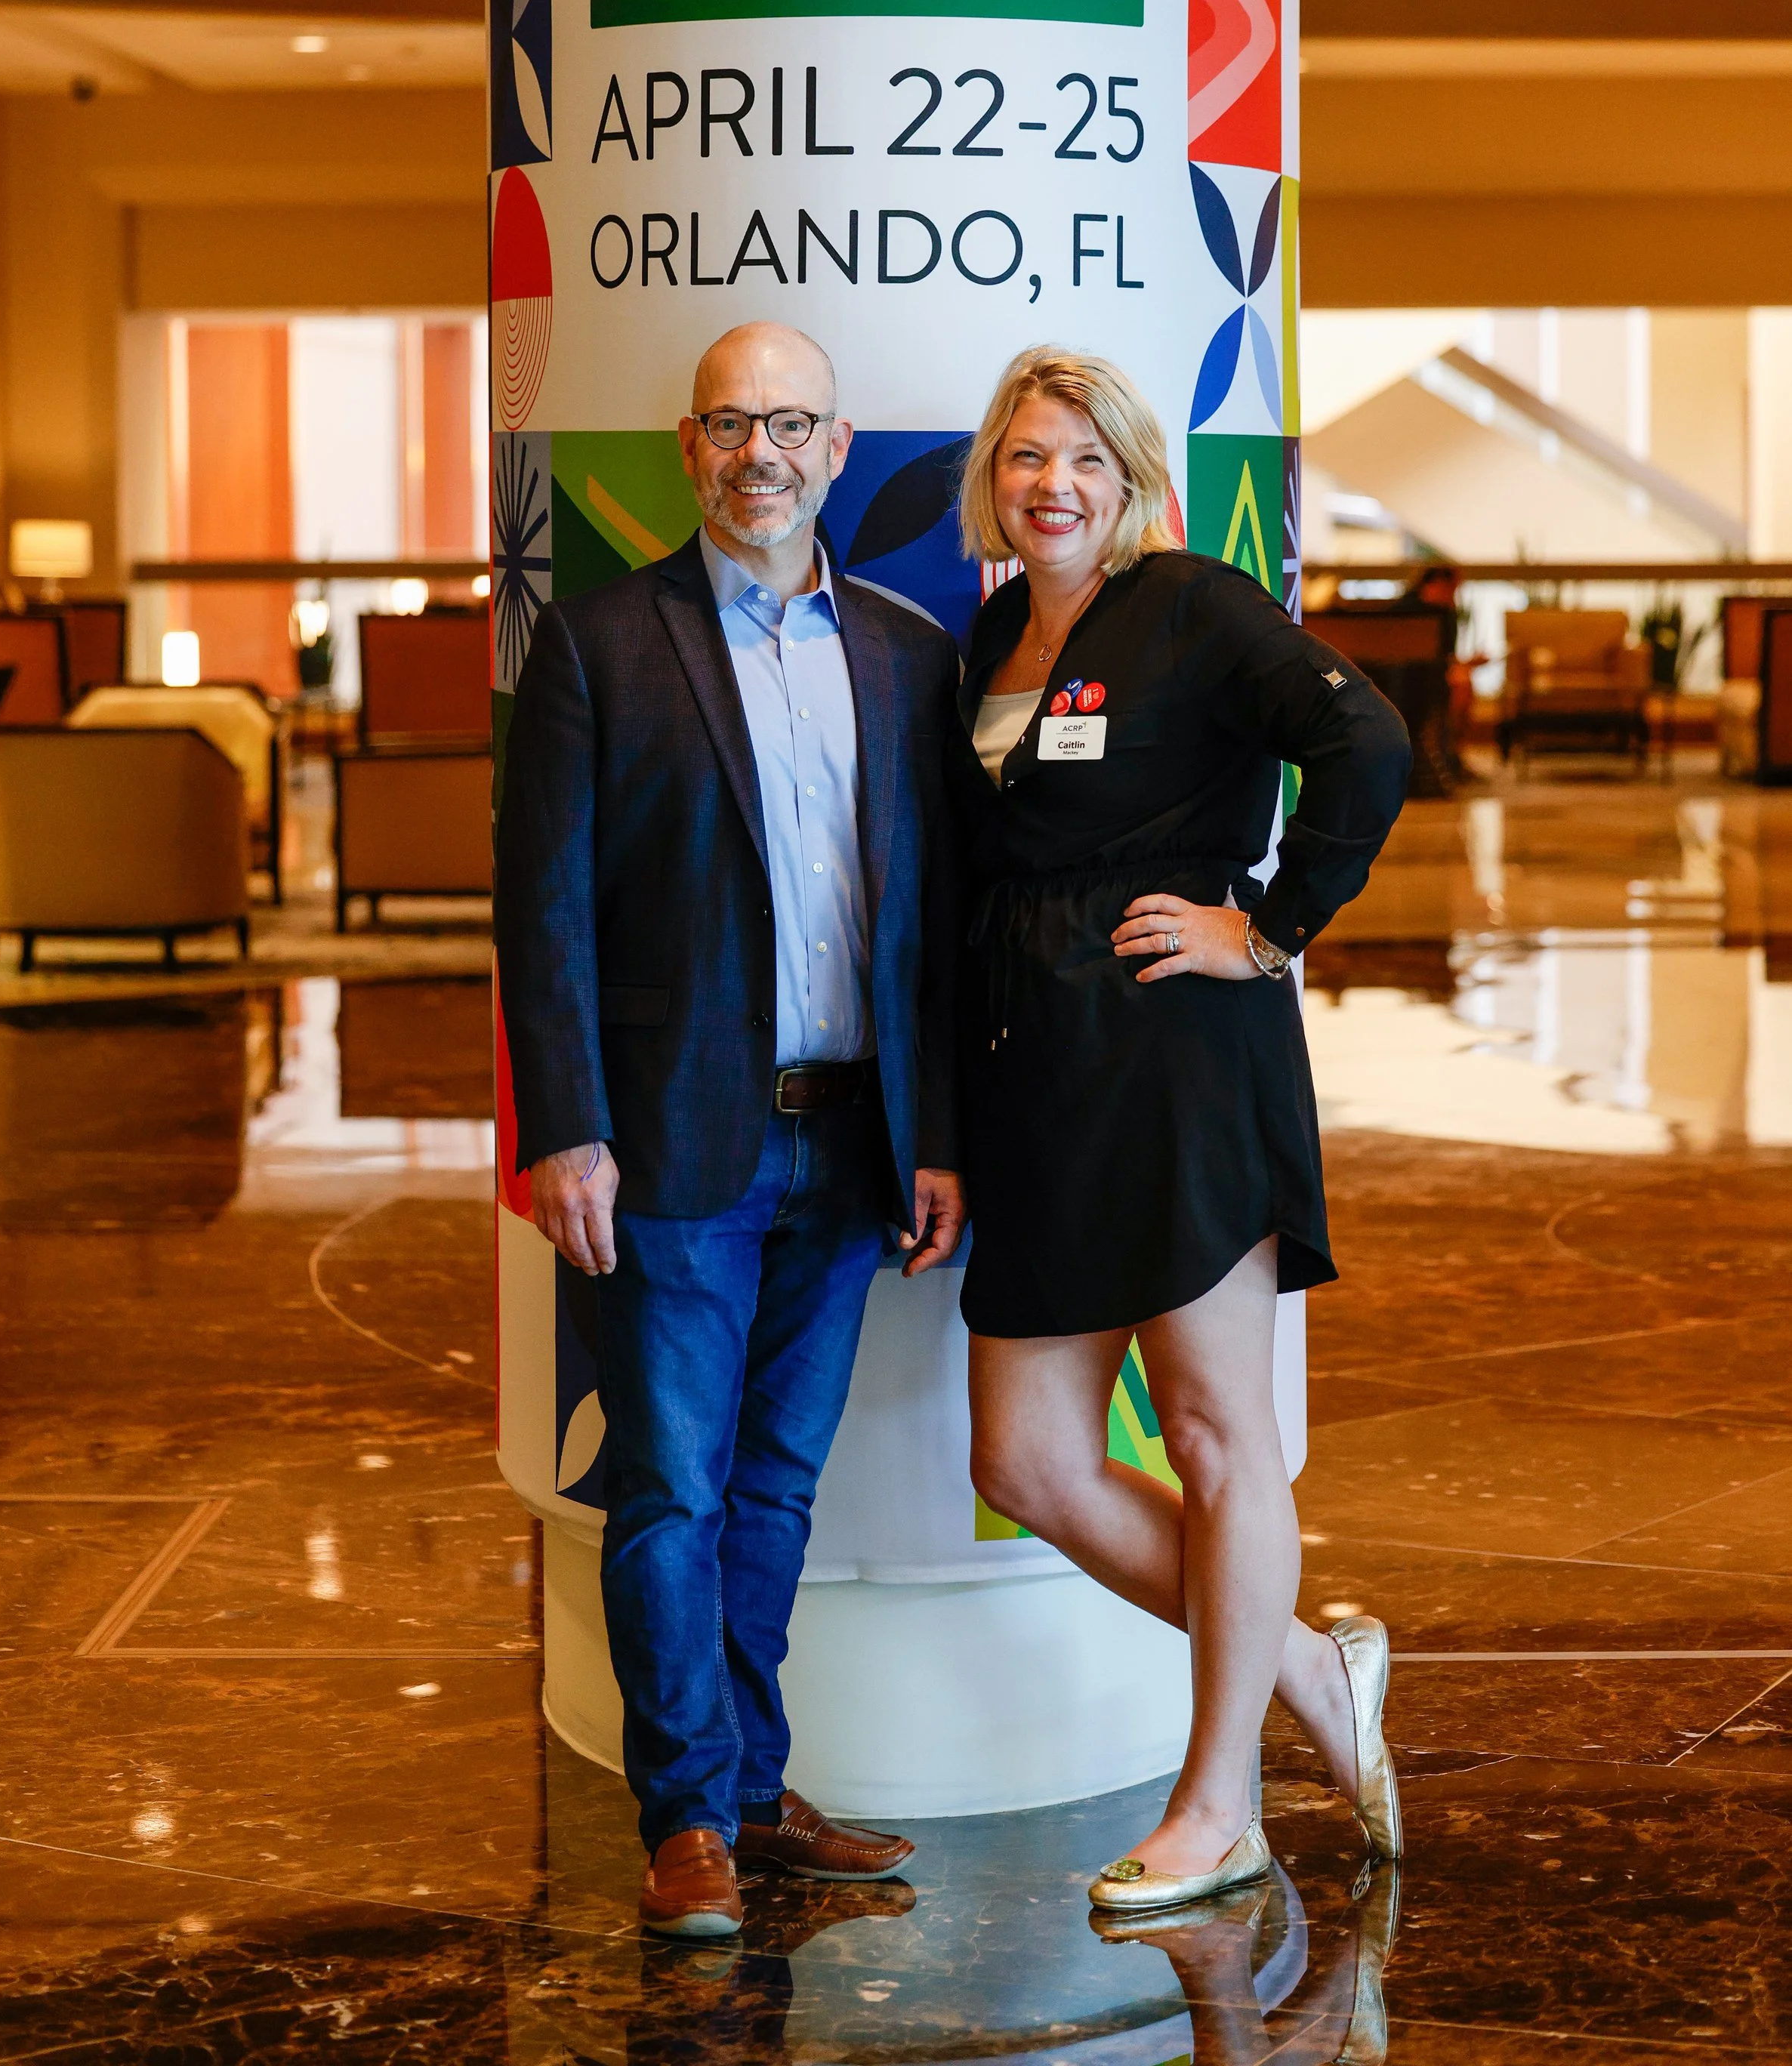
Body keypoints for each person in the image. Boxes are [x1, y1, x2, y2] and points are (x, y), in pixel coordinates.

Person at [495, 322, 966, 1942]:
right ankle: (687, 1812)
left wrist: (935, 1131)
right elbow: (539, 905)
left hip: (848, 1151)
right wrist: (563, 1129)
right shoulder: (600, 641)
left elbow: (926, 927)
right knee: (673, 1494)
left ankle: (754, 1794)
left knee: (772, 1492)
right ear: (686, 448)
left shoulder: (907, 652)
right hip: (670, 1149)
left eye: (790, 423)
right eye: (726, 422)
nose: (757, 451)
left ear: (839, 449)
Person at [948, 346, 1411, 1913]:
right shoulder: (990, 636)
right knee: (1023, 1459)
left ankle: (1218, 1806)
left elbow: (1371, 743)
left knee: (1216, 1438)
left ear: (1130, 477)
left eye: (1082, 457)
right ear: (992, 480)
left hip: (1179, 1069)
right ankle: (1306, 1661)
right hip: (1032, 1082)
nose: (1051, 484)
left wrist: (1267, 928)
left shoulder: (1196, 605)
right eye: (1024, 456)